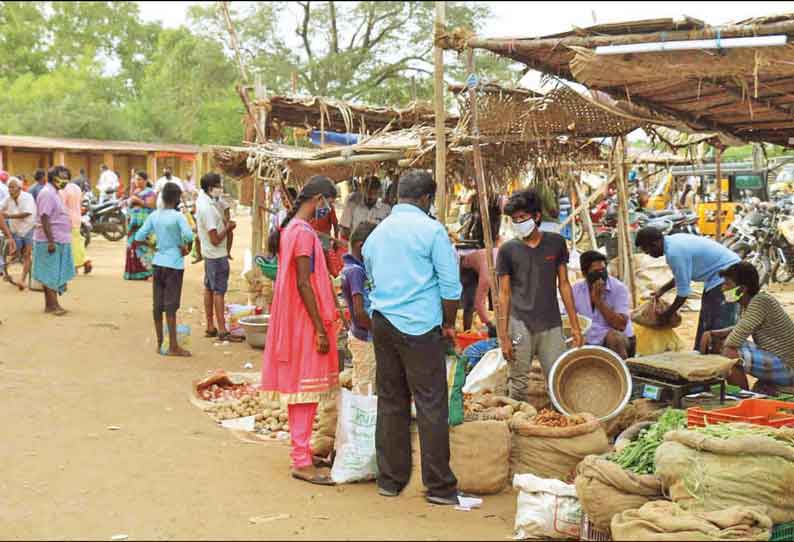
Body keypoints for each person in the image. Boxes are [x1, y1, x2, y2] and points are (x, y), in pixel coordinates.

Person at [363, 169, 462, 505]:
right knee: (431, 403)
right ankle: (439, 486)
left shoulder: (377, 233)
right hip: (419, 326)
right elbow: (451, 287)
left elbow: (371, 275)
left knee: (391, 400)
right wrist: (449, 322)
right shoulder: (432, 231)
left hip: (383, 322)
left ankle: (390, 480)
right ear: (425, 199)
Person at [261, 175, 341, 485]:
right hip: (305, 319)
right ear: (318, 200)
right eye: (328, 202)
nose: (329, 209)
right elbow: (304, 281)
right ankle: (300, 458)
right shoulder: (303, 233)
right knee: (305, 389)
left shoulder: (290, 228)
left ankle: (302, 452)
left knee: (301, 388)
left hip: (295, 316)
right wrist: (320, 328)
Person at [497, 188, 584, 398]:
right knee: (518, 383)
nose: (518, 222)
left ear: (536, 216)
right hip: (519, 323)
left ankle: (559, 423)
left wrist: (575, 326)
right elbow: (504, 294)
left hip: (551, 323)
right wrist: (503, 337)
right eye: (514, 219)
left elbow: (564, 284)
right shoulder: (508, 250)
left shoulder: (555, 243)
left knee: (558, 380)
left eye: (523, 217)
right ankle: (515, 426)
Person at [635, 227, 740, 351]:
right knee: (707, 320)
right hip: (720, 276)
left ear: (655, 243)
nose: (649, 255)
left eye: (648, 251)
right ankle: (705, 354)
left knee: (720, 324)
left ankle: (721, 359)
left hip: (731, 278)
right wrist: (662, 290)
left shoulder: (674, 252)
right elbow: (682, 275)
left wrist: (667, 315)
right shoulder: (672, 243)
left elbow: (683, 293)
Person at [700, 262, 794, 394]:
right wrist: (713, 333)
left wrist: (712, 339)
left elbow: (733, 341)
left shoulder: (760, 302)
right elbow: (741, 327)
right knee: (719, 342)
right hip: (778, 358)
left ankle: (743, 397)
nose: (723, 289)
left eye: (727, 284)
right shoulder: (751, 303)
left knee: (729, 353)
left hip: (788, 365)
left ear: (742, 289)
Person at [134, 183, 194, 357]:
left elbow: (138, 237)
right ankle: (173, 345)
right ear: (176, 199)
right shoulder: (178, 216)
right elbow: (189, 235)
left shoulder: (154, 215)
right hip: (174, 264)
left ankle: (160, 343)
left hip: (158, 262)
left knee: (157, 305)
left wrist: (153, 246)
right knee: (171, 306)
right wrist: (187, 248)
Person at [196, 172, 243, 343]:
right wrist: (228, 228)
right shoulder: (207, 209)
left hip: (210, 255)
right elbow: (215, 240)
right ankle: (222, 330)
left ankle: (210, 326)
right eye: (218, 186)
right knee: (219, 291)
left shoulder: (205, 200)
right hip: (216, 255)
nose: (220, 189)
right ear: (210, 188)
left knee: (209, 288)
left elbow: (223, 205)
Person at [572, 250, 635, 359]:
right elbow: (567, 318)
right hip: (588, 337)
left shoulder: (619, 288)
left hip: (616, 338)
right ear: (584, 274)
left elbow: (621, 325)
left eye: (603, 270)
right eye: (596, 271)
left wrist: (598, 301)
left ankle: (623, 372)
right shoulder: (576, 289)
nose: (601, 274)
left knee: (615, 338)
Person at [32, 166, 75, 316]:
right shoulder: (47, 193)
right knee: (49, 274)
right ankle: (51, 306)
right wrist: (50, 241)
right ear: (52, 177)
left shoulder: (55, 192)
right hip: (49, 241)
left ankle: (53, 304)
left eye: (66, 177)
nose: (64, 180)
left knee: (53, 273)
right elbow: (44, 217)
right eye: (61, 176)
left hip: (59, 240)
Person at [341, 221, 377, 394]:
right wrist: (377, 330)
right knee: (365, 384)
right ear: (361, 246)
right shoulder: (356, 271)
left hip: (362, 334)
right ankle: (361, 419)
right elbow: (360, 311)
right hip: (365, 337)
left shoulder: (354, 268)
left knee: (366, 379)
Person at [1, 177, 35, 288]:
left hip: (28, 228)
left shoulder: (27, 197)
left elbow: (27, 213)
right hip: (15, 229)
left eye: (12, 187)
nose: (10, 190)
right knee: (13, 253)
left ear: (19, 188)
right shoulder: (8, 199)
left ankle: (22, 279)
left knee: (27, 254)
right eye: (9, 187)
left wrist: (9, 215)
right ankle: (8, 270)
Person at [124, 171, 157, 280]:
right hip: (133, 224)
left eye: (139, 179)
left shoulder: (150, 192)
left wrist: (137, 200)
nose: (137, 182)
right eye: (136, 179)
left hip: (144, 224)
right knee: (132, 247)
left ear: (145, 180)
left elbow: (151, 205)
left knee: (144, 247)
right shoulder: (135, 191)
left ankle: (148, 272)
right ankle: (133, 273)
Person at [459, 248, 498, 333]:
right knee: (470, 304)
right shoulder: (488, 272)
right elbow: (479, 302)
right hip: (468, 268)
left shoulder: (508, 259)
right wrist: (489, 325)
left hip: (480, 263)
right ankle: (467, 334)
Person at [60, 177, 92, 275]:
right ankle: (84, 261)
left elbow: (61, 205)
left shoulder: (63, 189)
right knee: (77, 241)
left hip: (67, 219)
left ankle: (76, 265)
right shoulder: (77, 188)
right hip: (77, 218)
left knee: (71, 244)